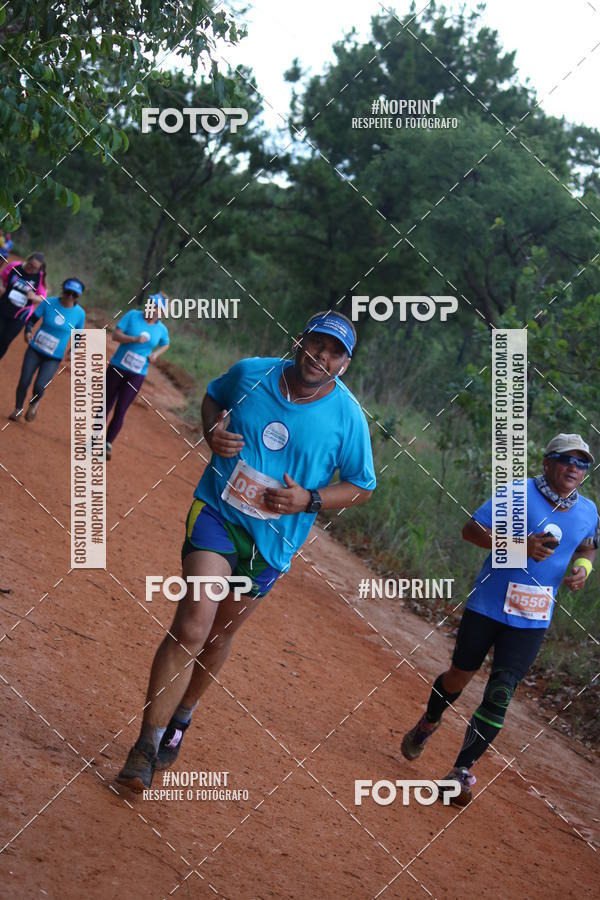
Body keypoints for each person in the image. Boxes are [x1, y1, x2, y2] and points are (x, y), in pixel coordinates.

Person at [117, 310, 376, 791]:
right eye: (317, 344)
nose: (322, 356)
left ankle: (183, 716)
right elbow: (215, 397)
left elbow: (362, 485)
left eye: (335, 352)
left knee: (217, 636)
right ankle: (145, 745)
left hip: (272, 545)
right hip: (217, 514)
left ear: (345, 364)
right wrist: (211, 432)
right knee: (193, 622)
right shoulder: (251, 372)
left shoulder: (348, 417)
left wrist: (311, 500)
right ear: (300, 341)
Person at [401, 433, 598, 805]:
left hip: (533, 618)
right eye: (566, 459)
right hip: (488, 606)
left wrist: (583, 569)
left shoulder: (588, 510)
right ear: (547, 462)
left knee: (501, 692)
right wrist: (520, 546)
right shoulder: (518, 493)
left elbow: (587, 543)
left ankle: (460, 772)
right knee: (460, 674)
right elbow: (471, 530)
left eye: (582, 462)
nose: (574, 467)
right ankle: (428, 722)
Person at [8, 278, 86, 422]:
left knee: (40, 386)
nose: (69, 296)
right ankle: (18, 409)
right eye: (68, 292)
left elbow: (78, 335)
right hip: (35, 349)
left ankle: (34, 403)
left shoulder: (79, 313)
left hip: (53, 356)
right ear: (63, 290)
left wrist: (72, 351)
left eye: (74, 295)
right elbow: (32, 320)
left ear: (79, 296)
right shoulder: (49, 302)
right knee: (24, 381)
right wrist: (28, 332)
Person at [105, 293, 170, 460]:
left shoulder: (161, 329)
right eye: (150, 303)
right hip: (117, 367)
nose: (151, 307)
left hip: (137, 373)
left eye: (155, 306)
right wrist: (133, 338)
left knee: (121, 409)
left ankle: (107, 444)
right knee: (106, 404)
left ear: (160, 311)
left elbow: (166, 343)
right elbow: (115, 335)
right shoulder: (132, 315)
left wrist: (155, 355)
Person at [0, 252, 47, 359]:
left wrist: (34, 297)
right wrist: (1, 286)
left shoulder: (39, 277)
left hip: (20, 314)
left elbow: (42, 297)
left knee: (6, 340)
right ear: (27, 260)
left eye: (35, 268)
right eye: (30, 264)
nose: (31, 268)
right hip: (3, 306)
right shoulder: (15, 266)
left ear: (39, 269)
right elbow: (2, 278)